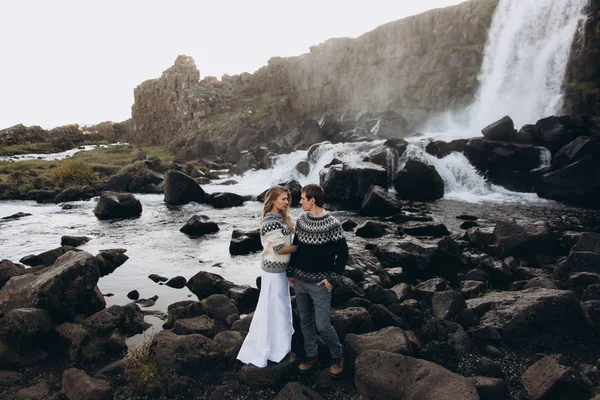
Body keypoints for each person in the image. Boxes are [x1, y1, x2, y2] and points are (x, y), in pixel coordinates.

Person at [287, 183, 349, 378]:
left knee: (322, 325)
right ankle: (311, 355)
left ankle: (338, 356)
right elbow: (296, 247)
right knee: (305, 320)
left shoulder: (332, 224)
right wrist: (290, 271)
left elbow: (343, 253)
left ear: (312, 200)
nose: (300, 201)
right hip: (299, 280)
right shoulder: (301, 221)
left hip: (320, 284)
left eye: (303, 198)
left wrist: (333, 279)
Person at [236, 185, 297, 367]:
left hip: (280, 270)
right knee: (274, 308)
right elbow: (280, 249)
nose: (287, 202)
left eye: (287, 199)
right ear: (273, 201)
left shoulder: (280, 218)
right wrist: (304, 247)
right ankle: (270, 347)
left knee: (280, 307)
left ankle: (280, 345)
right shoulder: (271, 220)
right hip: (272, 272)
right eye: (283, 199)